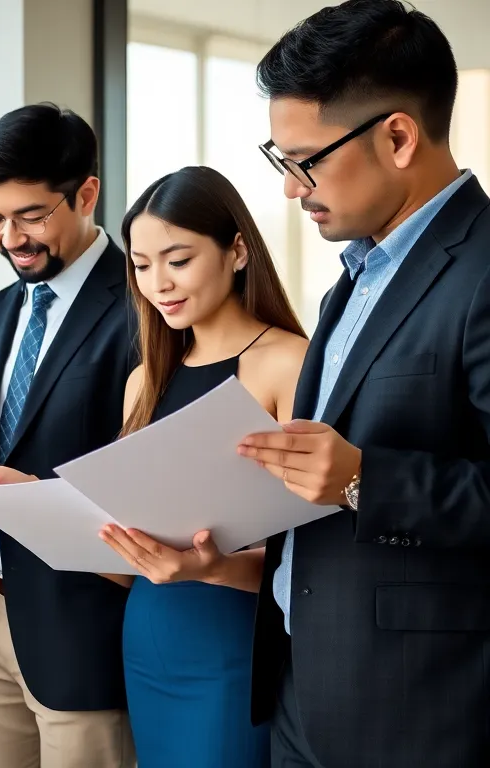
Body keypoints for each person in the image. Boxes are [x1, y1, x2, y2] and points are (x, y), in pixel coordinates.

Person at [238, 2, 490, 766]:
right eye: (280, 162)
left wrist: (363, 480)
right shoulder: (351, 280)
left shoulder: (481, 273)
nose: (291, 189)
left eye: (305, 161)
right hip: (301, 688)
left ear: (399, 136)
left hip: (419, 711)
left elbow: (358, 474)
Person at [94, 166, 308, 768]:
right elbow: (127, 547)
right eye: (140, 264)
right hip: (149, 635)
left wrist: (209, 567)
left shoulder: (287, 363)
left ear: (238, 250)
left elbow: (313, 553)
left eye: (178, 259)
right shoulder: (145, 379)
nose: (157, 282)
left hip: (233, 642)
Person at [0, 103, 137, 768]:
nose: (9, 238)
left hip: (87, 622)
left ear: (87, 194)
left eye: (30, 216)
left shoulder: (148, 308)